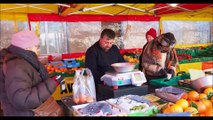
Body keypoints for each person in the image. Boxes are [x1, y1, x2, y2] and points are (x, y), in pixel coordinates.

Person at [0, 30, 64, 116]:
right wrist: (52, 82)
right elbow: (22, 100)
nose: (38, 49)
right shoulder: (16, 66)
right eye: (36, 46)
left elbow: (29, 80)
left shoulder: (19, 60)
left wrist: (50, 78)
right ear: (27, 47)